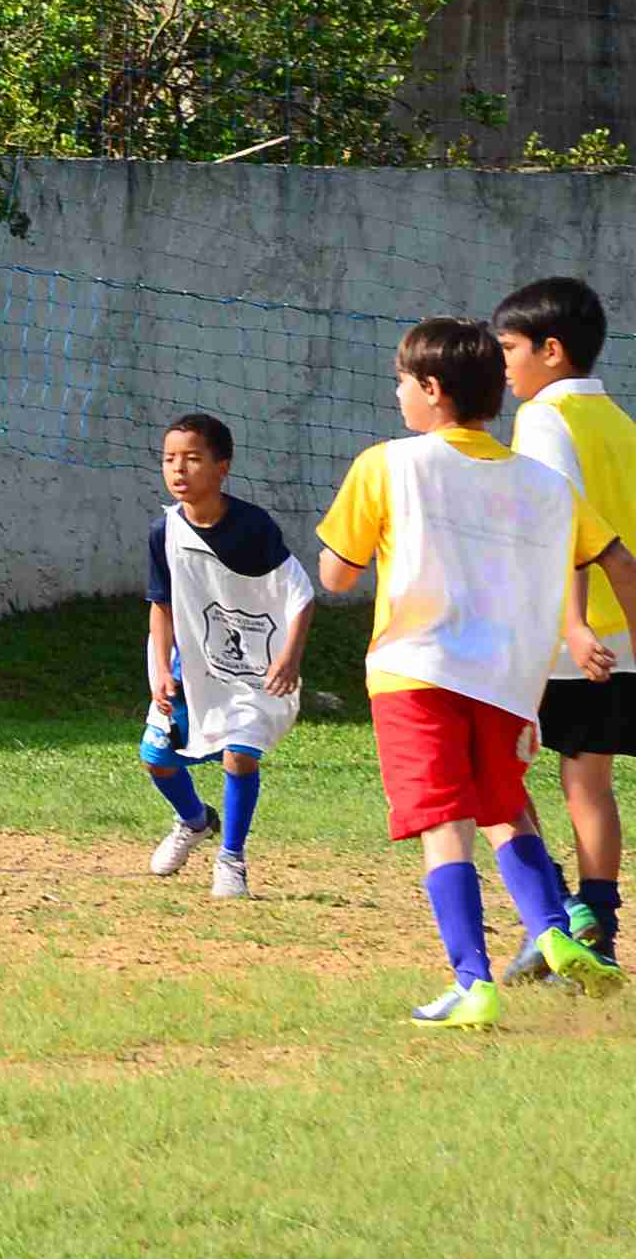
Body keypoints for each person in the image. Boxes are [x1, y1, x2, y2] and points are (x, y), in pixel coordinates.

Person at [311, 316, 636, 1027]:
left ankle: (472, 982)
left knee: (445, 825)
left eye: (402, 381)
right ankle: (552, 930)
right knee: (502, 806)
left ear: (431, 388)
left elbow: (335, 575)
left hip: (417, 671)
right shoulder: (543, 484)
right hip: (509, 682)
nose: (397, 394)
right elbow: (618, 561)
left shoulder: (388, 465)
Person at [498, 275, 636, 960]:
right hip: (621, 639)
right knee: (591, 784)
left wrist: (574, 625)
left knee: (491, 770)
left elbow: (562, 521)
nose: (503, 365)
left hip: (563, 640)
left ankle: (550, 910)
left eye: (510, 349)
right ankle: (599, 928)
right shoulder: (619, 421)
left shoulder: (543, 418)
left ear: (550, 351)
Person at [136, 412, 311, 899]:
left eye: (192, 459)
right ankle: (194, 821)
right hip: (191, 665)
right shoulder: (163, 531)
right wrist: (159, 671)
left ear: (222, 467)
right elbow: (161, 606)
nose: (178, 470)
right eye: (169, 459)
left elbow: (300, 593)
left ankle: (231, 860)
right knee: (156, 760)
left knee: (239, 755)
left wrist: (290, 657)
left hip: (253, 668)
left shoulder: (254, 527)